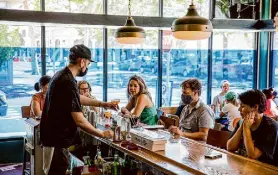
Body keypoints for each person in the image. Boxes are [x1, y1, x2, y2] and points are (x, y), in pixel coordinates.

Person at [40, 44, 117, 175]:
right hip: (56, 141)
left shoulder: (61, 75)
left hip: (53, 139)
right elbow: (79, 120)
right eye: (88, 63)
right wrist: (102, 134)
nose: (87, 67)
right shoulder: (68, 81)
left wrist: (104, 104)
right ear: (82, 61)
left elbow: (77, 98)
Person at [227, 89, 278, 166]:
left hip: (265, 169)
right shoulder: (242, 122)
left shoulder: (270, 126)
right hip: (244, 166)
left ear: (255, 107)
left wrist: (246, 129)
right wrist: (243, 126)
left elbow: (253, 155)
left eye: (243, 106)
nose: (239, 109)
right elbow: (230, 147)